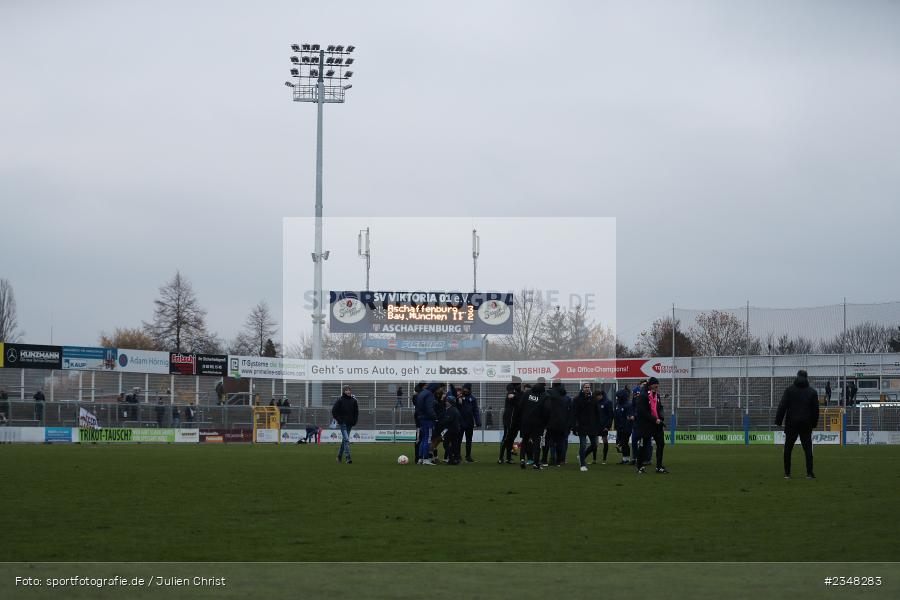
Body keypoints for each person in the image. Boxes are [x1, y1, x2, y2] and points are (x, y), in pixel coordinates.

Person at [776, 369, 819, 479]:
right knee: (808, 449)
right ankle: (809, 473)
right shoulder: (812, 392)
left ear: (797, 376)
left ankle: (787, 473)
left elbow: (782, 406)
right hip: (806, 424)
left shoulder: (789, 390)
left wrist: (778, 421)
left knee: (788, 449)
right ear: (806, 377)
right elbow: (815, 410)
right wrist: (814, 423)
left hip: (791, 423)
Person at [635, 377, 668, 474]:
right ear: (650, 385)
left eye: (657, 385)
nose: (657, 386)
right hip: (647, 424)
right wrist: (654, 419)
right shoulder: (643, 395)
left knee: (661, 444)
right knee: (644, 445)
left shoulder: (657, 395)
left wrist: (661, 418)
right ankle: (639, 466)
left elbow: (659, 408)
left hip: (657, 425)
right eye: (655, 384)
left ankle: (659, 467)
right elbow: (642, 412)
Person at [519, 378, 549, 470]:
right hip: (537, 423)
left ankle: (522, 459)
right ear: (544, 385)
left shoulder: (527, 393)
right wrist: (544, 423)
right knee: (536, 443)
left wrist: (523, 417)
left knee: (524, 441)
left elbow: (520, 405)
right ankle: (536, 463)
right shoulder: (545, 396)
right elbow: (546, 411)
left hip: (525, 421)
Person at [574, 383, 599, 472]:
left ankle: (581, 456)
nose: (587, 388)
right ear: (582, 388)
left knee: (594, 445)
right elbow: (574, 414)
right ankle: (582, 464)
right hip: (582, 426)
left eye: (588, 387)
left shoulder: (593, 399)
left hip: (592, 426)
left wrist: (598, 424)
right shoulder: (577, 399)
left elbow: (597, 412)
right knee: (583, 445)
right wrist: (575, 426)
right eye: (585, 387)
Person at [545, 381, 571, 467]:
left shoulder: (549, 395)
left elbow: (547, 409)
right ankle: (561, 460)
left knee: (551, 442)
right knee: (562, 442)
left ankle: (552, 459)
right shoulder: (566, 398)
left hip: (552, 423)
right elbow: (569, 411)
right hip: (563, 423)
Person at [332, 385, 359, 464]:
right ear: (344, 391)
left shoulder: (354, 401)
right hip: (343, 423)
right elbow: (334, 411)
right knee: (347, 439)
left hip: (350, 423)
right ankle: (348, 458)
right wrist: (339, 420)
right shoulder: (340, 400)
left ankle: (339, 457)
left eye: (349, 390)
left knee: (344, 440)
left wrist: (355, 420)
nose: (348, 391)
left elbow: (356, 412)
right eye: (346, 390)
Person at [415, 382, 441, 465]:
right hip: (428, 419)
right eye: (437, 388)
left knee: (423, 439)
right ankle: (426, 459)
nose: (438, 390)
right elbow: (429, 408)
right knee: (428, 439)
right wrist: (435, 417)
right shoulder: (429, 394)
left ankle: (420, 459)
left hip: (421, 418)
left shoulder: (422, 393)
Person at [498, 378, 522, 464]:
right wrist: (515, 395)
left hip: (516, 419)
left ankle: (508, 458)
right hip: (509, 419)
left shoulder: (518, 393)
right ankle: (501, 457)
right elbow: (511, 396)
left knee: (511, 439)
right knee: (506, 437)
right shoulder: (511, 392)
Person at [457, 383, 482, 462]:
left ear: (469, 389)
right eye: (464, 388)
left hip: (469, 422)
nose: (465, 390)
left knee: (469, 440)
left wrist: (478, 421)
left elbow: (475, 411)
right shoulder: (459, 397)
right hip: (460, 422)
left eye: (466, 389)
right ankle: (458, 455)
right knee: (458, 440)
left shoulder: (473, 398)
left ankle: (468, 456)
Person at [436, 393, 462, 465]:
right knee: (455, 445)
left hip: (450, 430)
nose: (445, 402)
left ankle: (451, 458)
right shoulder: (455, 409)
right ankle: (456, 459)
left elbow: (448, 420)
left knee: (446, 444)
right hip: (456, 430)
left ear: (450, 402)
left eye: (447, 401)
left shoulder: (450, 410)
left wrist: (439, 421)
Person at [613, 388, 634, 464]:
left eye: (618, 396)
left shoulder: (628, 405)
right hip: (619, 427)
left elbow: (629, 417)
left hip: (626, 428)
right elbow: (615, 415)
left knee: (624, 443)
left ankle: (627, 459)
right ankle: (624, 458)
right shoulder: (617, 405)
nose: (617, 398)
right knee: (622, 443)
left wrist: (626, 427)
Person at [595, 390, 614, 465]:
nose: (596, 398)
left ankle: (604, 459)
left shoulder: (607, 402)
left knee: (605, 441)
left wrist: (608, 426)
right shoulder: (596, 402)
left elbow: (610, 415)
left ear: (600, 395)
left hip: (604, 426)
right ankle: (594, 459)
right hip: (596, 426)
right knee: (594, 443)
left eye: (597, 396)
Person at [412, 381, 426, 463]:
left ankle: (422, 457)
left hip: (423, 420)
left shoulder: (418, 395)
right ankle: (417, 458)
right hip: (420, 421)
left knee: (423, 439)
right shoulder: (418, 396)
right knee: (419, 439)